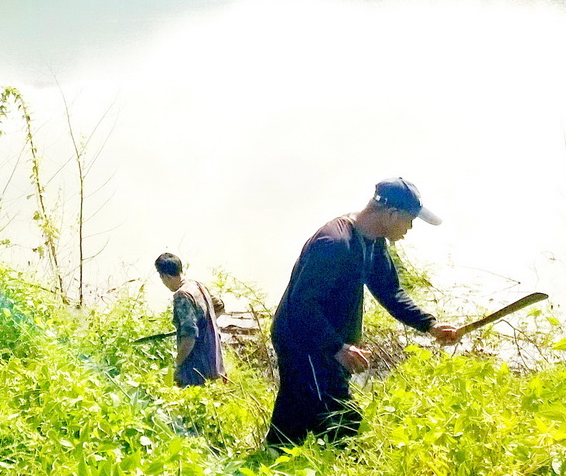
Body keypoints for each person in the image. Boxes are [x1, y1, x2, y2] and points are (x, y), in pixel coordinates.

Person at [266, 178, 459, 447]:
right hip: (304, 342)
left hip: (324, 342)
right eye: (410, 220)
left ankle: (272, 455)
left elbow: (391, 292)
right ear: (391, 214)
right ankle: (323, 459)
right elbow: (302, 304)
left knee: (294, 416)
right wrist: (337, 348)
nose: (410, 228)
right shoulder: (334, 243)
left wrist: (430, 325)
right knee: (343, 422)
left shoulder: (373, 242)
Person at [155, 253, 226, 387]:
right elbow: (219, 307)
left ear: (165, 276)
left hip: (196, 367)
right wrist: (203, 325)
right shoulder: (198, 285)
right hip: (213, 360)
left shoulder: (182, 295)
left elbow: (189, 337)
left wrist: (177, 365)